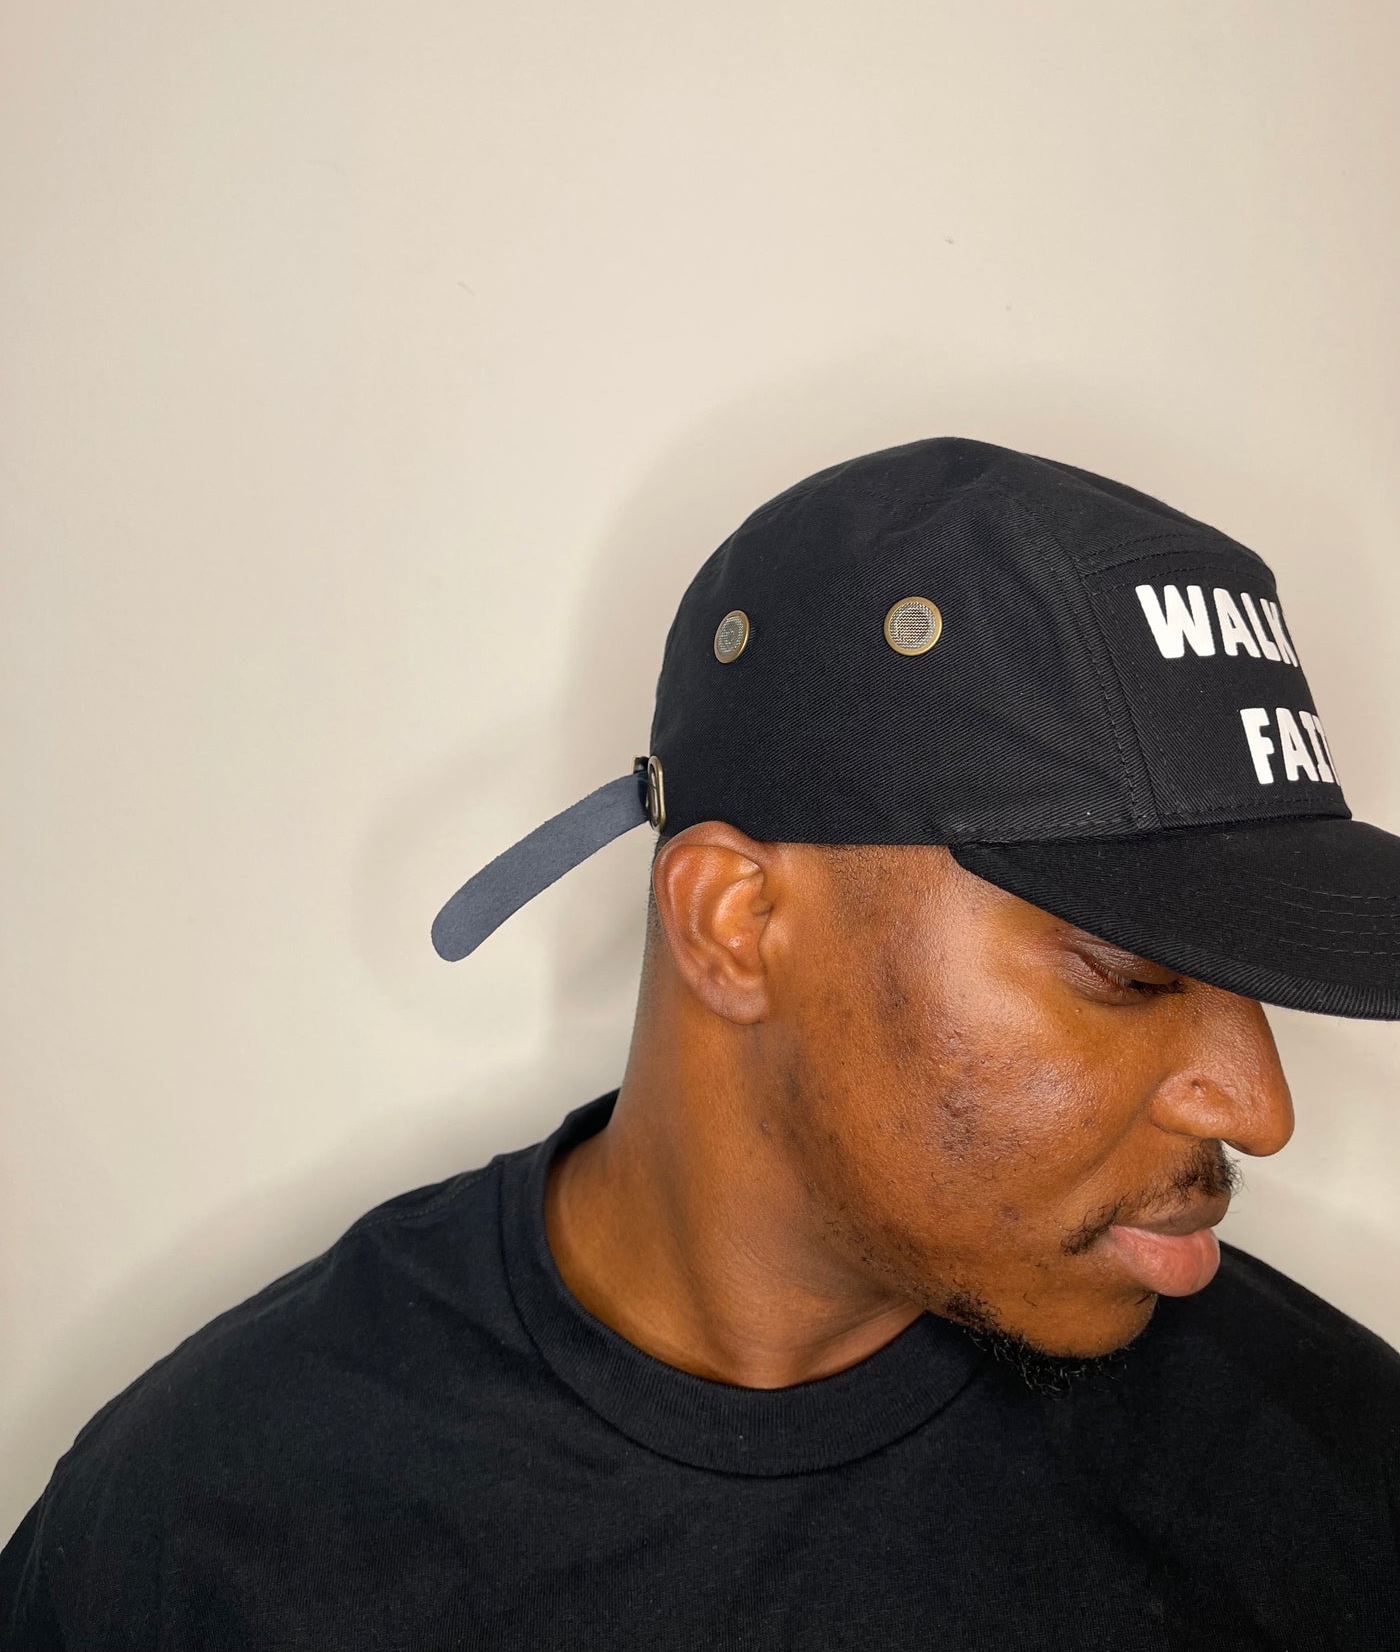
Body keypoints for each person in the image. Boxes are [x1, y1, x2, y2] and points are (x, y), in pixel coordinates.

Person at [4, 434, 1398, 1649]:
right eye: (1131, 974)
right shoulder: (214, 1528)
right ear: (735, 923)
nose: (1262, 1109)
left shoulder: (1339, 1485)